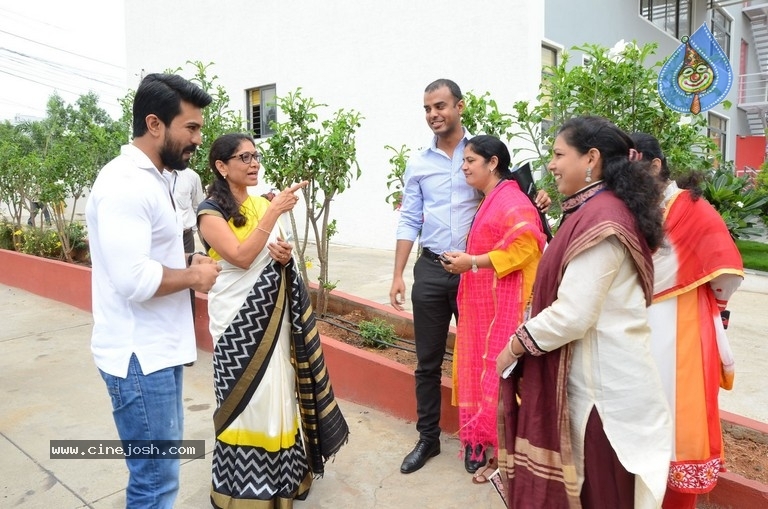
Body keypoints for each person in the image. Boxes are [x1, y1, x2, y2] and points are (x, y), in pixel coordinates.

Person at [495, 116, 673, 508]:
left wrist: (513, 347)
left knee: (601, 495)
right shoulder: (596, 210)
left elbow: (572, 314)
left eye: (559, 155)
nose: (551, 165)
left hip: (603, 398)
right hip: (600, 382)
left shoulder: (602, 220)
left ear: (591, 158)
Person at [390, 78, 551, 475]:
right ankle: (427, 438)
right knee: (427, 362)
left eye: (440, 106)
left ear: (459, 107)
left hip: (479, 275)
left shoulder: (481, 154)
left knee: (484, 355)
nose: (433, 115)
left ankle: (480, 438)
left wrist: (538, 199)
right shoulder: (419, 163)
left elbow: (514, 198)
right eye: (427, 108)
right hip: (432, 268)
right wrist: (398, 274)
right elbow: (410, 218)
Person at [85, 73, 221, 508]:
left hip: (155, 352)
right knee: (155, 484)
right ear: (155, 124)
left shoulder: (155, 177)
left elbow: (146, 257)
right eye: (191, 127)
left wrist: (187, 263)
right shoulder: (125, 183)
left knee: (158, 478)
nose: (198, 138)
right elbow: (133, 279)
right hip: (139, 358)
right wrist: (193, 278)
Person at [197, 133, 349, 508]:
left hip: (273, 318)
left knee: (277, 391)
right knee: (248, 400)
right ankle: (243, 490)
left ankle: (284, 479)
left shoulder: (260, 205)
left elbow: (271, 252)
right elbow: (240, 257)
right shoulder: (210, 213)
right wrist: (275, 210)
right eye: (244, 157)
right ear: (221, 166)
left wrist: (282, 255)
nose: (254, 163)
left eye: (255, 156)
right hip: (237, 323)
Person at [630, 132, 744, 509]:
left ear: (655, 166)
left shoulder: (693, 208)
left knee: (678, 412)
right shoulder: (635, 208)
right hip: (638, 323)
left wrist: (708, 300)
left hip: (683, 323)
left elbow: (725, 269)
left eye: (631, 167)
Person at [441, 135, 546, 479]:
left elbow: (526, 246)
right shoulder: (492, 197)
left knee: (500, 372)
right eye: (464, 160)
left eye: (470, 160)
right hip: (481, 304)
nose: (464, 167)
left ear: (493, 163)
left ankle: (502, 447)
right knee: (477, 367)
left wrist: (472, 262)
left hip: (503, 305)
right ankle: (480, 440)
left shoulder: (511, 200)